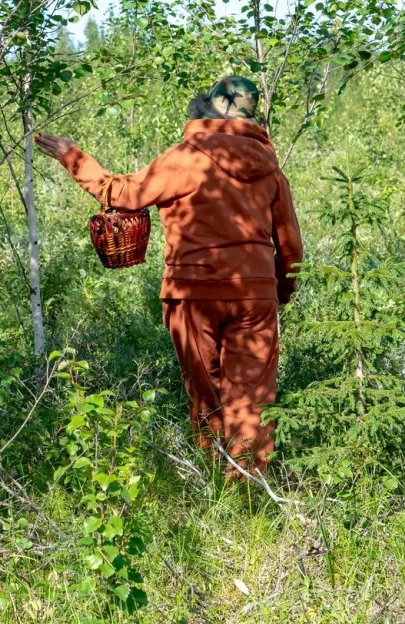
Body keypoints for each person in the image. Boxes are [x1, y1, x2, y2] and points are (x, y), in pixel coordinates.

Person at [35, 75, 302, 478]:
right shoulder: (269, 168)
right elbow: (291, 246)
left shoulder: (183, 158)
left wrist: (73, 156)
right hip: (255, 294)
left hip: (191, 295)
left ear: (206, 112)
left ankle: (216, 481)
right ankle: (248, 492)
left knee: (207, 396)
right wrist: (280, 290)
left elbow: (120, 193)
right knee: (252, 402)